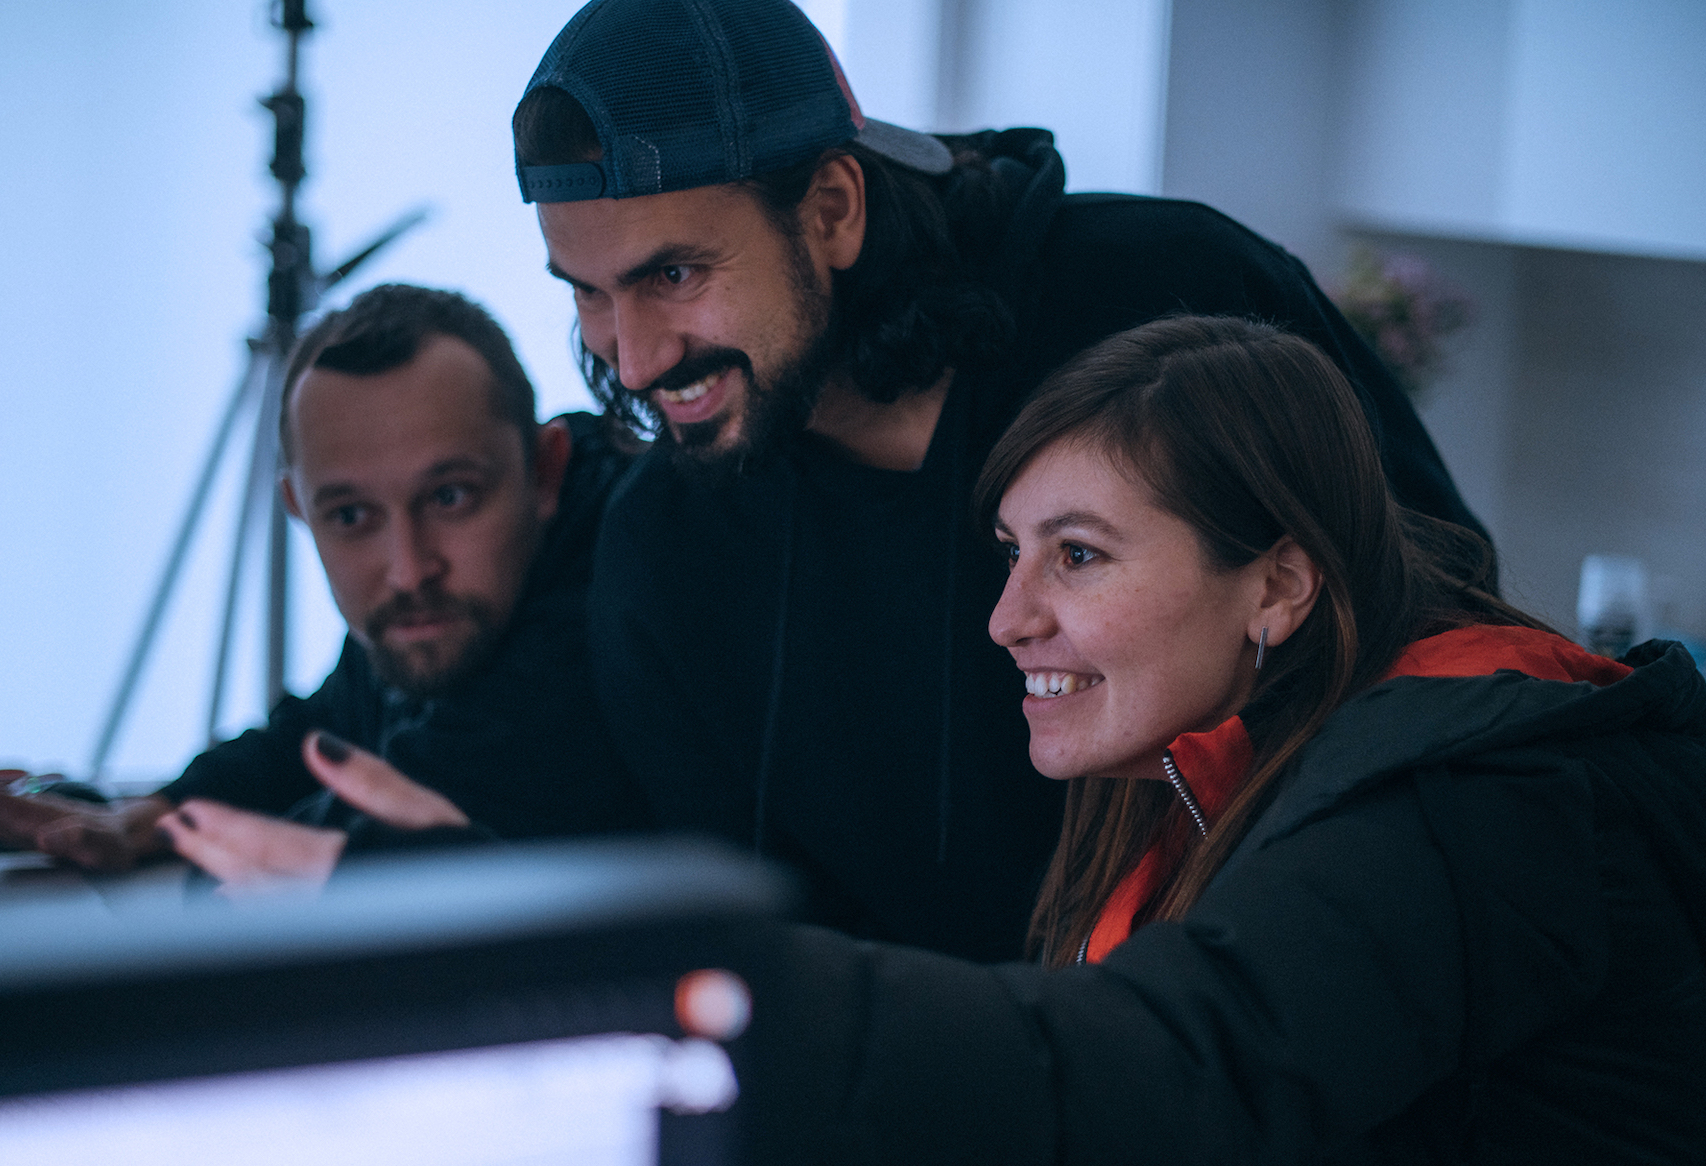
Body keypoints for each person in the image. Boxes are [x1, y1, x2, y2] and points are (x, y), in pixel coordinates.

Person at [254, 315, 1706, 1166]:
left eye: (1080, 557)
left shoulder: (1473, 812)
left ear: (1279, 582)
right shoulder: (1203, 777)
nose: (1008, 620)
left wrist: (653, 979)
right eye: (1013, 554)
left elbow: (1132, 1089)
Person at [516, 0, 1487, 972]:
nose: (633, 358)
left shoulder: (1171, 294)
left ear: (832, 211)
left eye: (676, 274)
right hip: (961, 1096)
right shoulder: (663, 557)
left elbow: (1442, 635)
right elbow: (764, 961)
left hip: (1319, 1010)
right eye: (587, 292)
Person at [0, 284, 648, 882]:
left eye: (450, 496)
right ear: (301, 510)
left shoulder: (617, 598)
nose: (407, 566)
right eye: (353, 514)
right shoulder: (449, 605)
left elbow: (299, 863)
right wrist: (138, 818)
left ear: (544, 472)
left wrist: (170, 835)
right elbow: (315, 732)